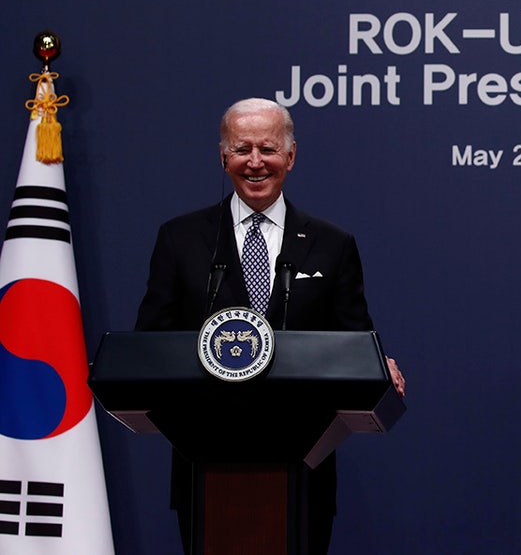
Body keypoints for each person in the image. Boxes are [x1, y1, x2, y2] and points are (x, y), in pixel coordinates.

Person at [134, 97, 404, 555]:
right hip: (206, 458)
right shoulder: (180, 238)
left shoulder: (331, 244)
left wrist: (378, 365)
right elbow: (150, 343)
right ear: (223, 158)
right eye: (242, 149)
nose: (255, 162)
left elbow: (354, 338)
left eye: (268, 149)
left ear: (291, 156)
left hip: (302, 464)